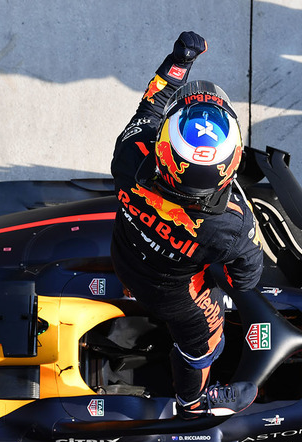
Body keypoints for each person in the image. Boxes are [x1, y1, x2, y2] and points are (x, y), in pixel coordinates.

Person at [110, 31, 263, 419]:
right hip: (169, 293)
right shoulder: (231, 225)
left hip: (124, 252)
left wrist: (181, 60)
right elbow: (244, 280)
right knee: (205, 343)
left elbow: (154, 99)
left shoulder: (130, 152)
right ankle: (193, 404)